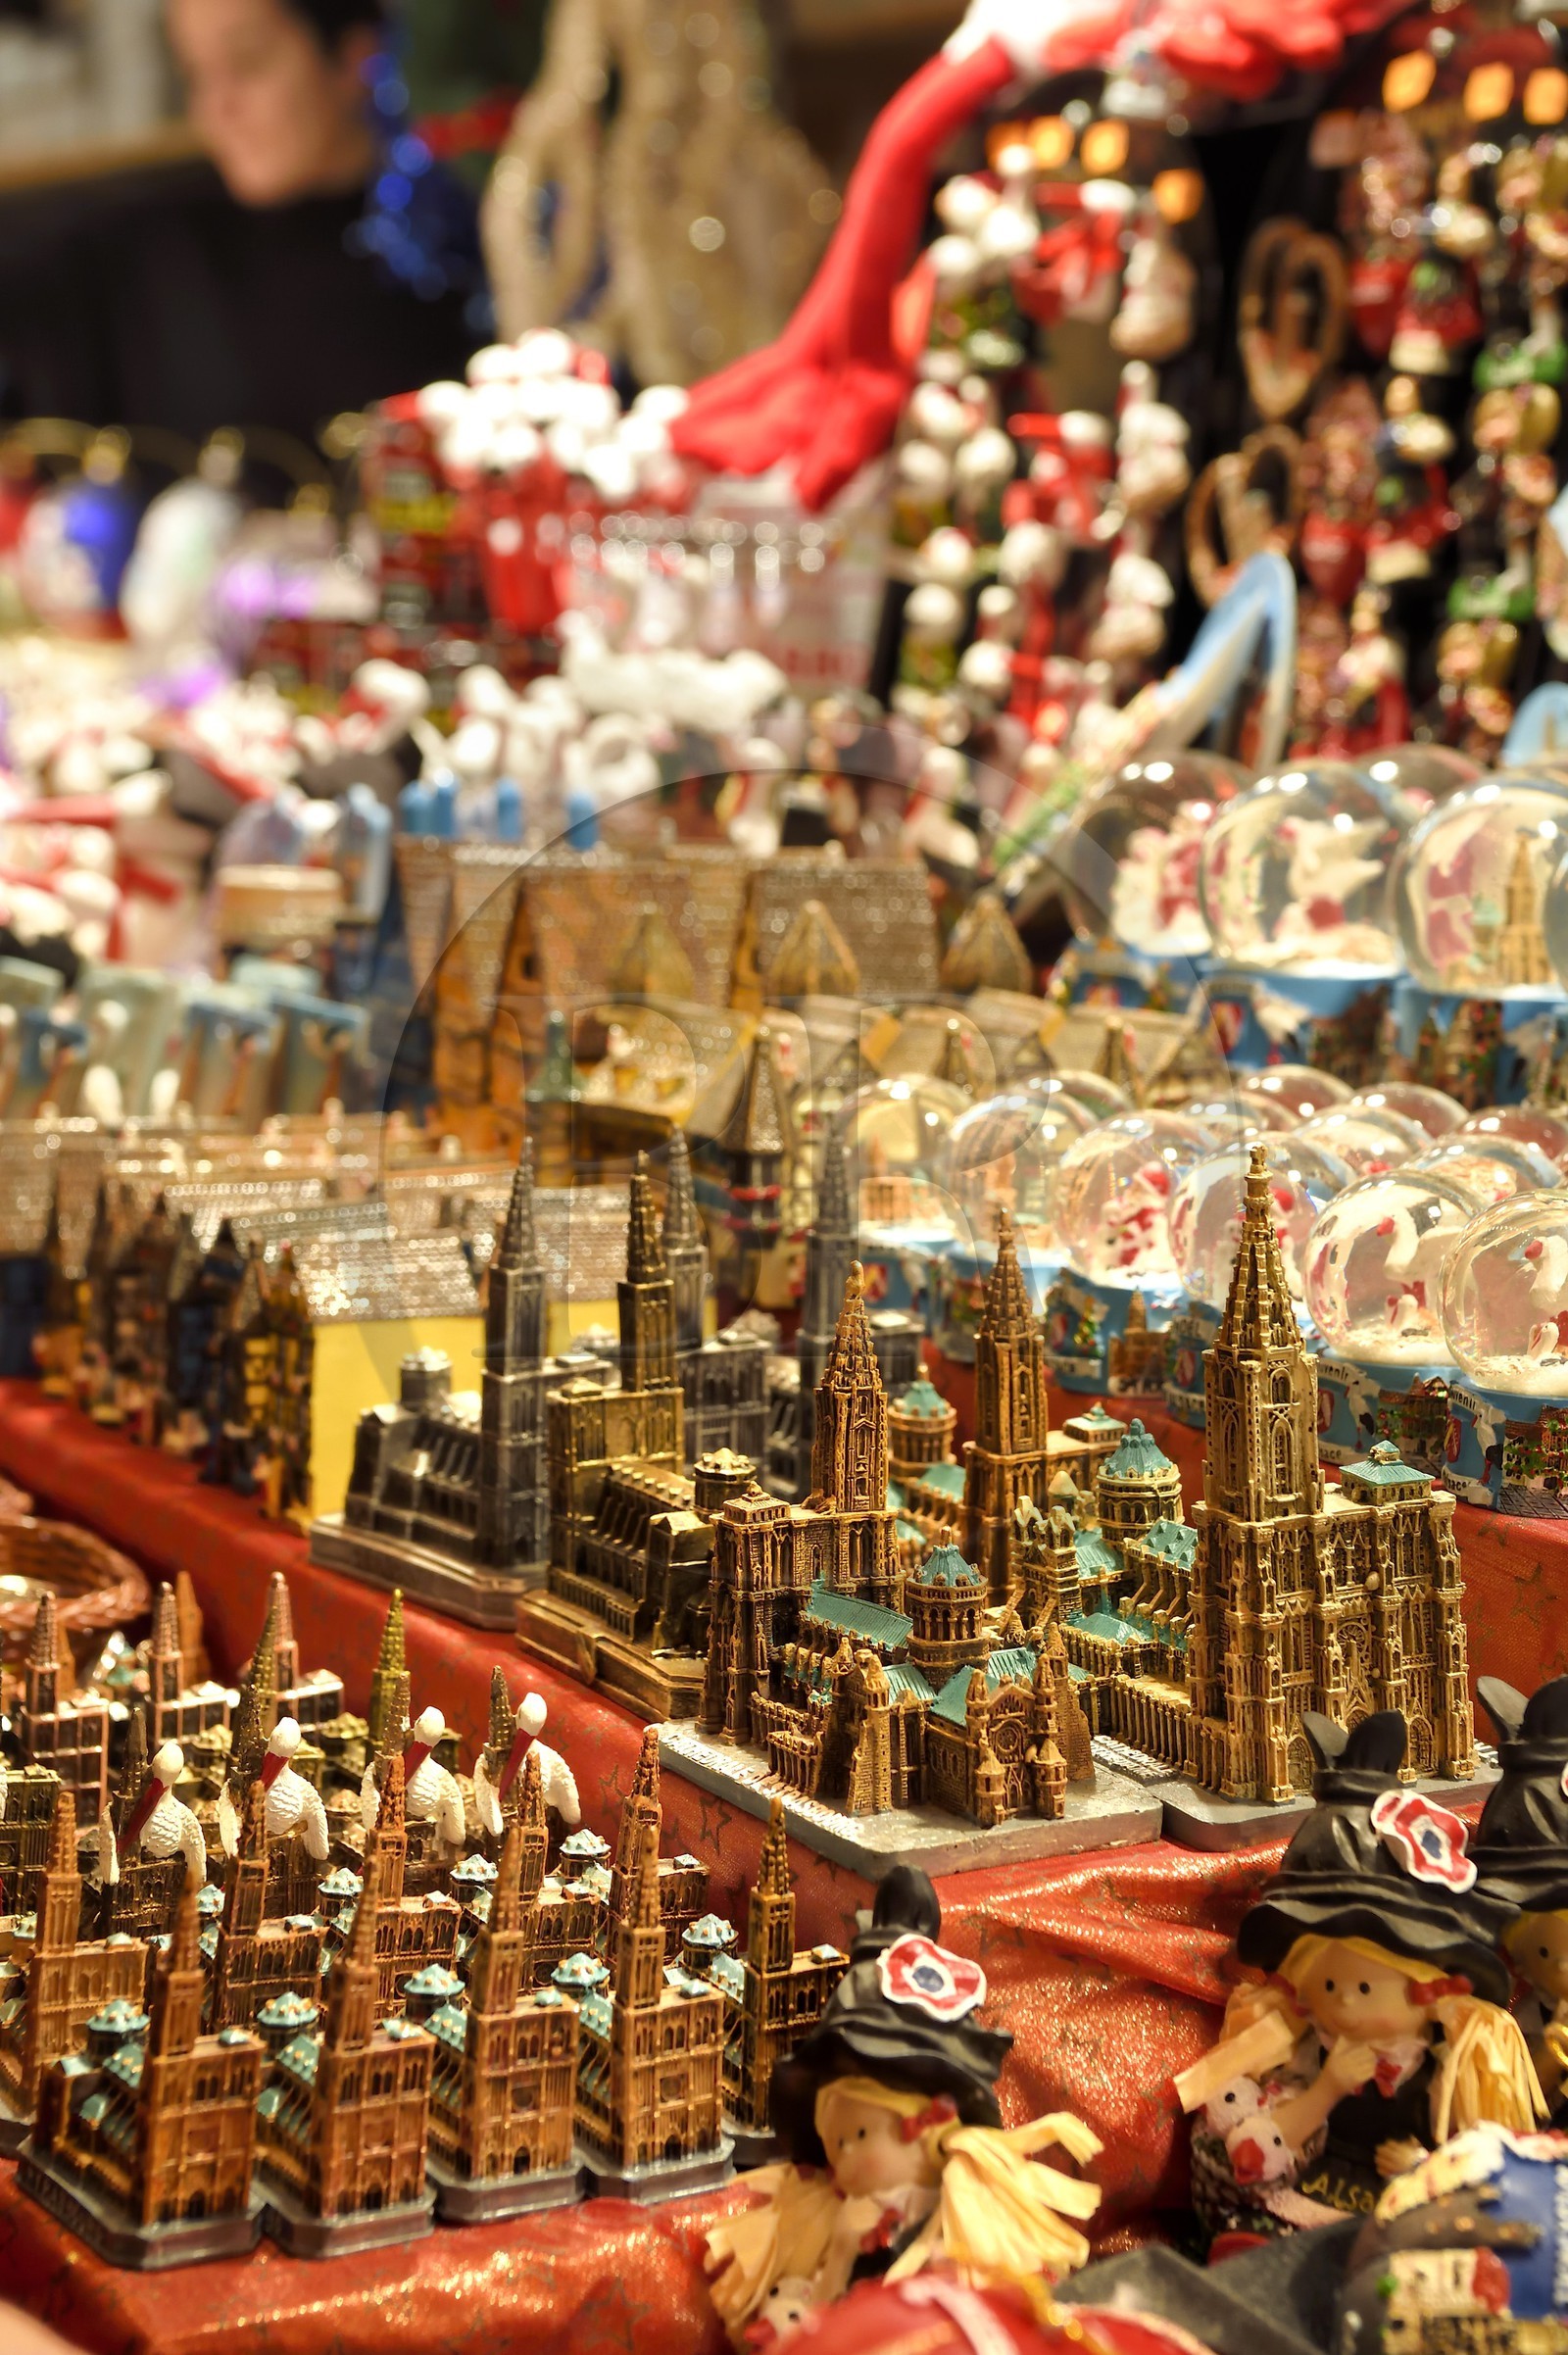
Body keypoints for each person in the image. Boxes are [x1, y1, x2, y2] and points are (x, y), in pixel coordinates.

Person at [0, 0, 482, 448]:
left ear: (355, 57)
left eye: (247, 64)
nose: (215, 109)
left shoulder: (456, 240)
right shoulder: (151, 251)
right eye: (195, 76)